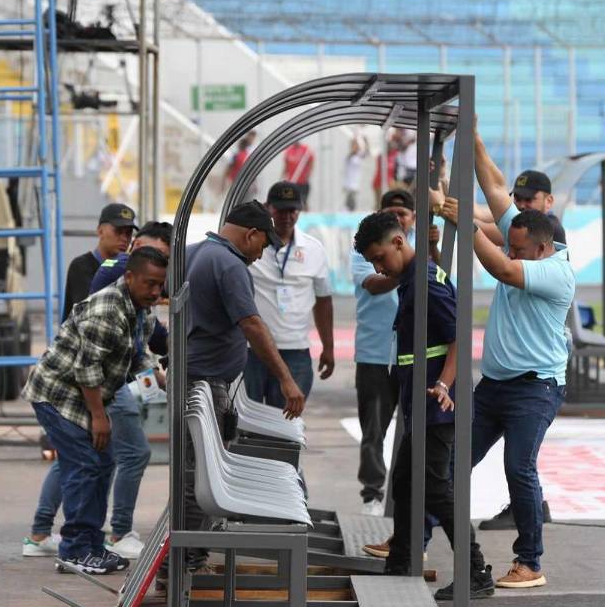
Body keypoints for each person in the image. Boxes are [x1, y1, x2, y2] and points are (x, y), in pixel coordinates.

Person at [439, 126, 573, 589]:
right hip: (494, 386)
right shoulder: (526, 238)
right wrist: (472, 136)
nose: (510, 252)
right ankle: (412, 542)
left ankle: (530, 562)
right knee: (450, 462)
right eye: (509, 244)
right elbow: (495, 185)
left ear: (541, 247)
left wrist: (468, 227)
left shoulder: (555, 271)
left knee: (519, 467)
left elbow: (497, 265)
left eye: (518, 249)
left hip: (535, 388)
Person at [353, 212, 494, 601]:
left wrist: (443, 384)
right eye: (374, 263)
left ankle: (476, 571)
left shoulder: (427, 284)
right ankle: (402, 561)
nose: (380, 268)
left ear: (399, 242)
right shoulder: (412, 280)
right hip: (423, 405)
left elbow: (458, 339)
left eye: (381, 257)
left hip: (438, 404)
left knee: (435, 489)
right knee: (404, 481)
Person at [23, 222, 173, 560]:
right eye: (149, 283)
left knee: (103, 463)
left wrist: (162, 381)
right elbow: (87, 370)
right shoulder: (108, 309)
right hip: (59, 396)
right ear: (130, 276)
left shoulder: (139, 310)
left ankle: (91, 545)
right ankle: (75, 552)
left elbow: (137, 356)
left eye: (159, 285)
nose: (154, 292)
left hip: (84, 395)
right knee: (85, 465)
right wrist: (99, 417)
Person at [182, 200, 307, 570]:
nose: (261, 254)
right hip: (206, 378)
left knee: (193, 470)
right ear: (250, 234)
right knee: (198, 474)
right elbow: (251, 324)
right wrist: (287, 380)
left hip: (197, 374)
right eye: (263, 245)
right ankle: (188, 557)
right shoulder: (229, 263)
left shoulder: (194, 253)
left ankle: (190, 551)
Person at [350, 189, 438, 516]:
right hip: (374, 353)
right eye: (392, 212)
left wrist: (431, 249)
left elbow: (439, 281)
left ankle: (406, 496)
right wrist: (405, 270)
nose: (399, 217)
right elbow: (372, 283)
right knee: (374, 429)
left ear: (412, 219)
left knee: (415, 429)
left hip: (411, 354)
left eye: (404, 213)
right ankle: (372, 494)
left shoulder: (417, 250)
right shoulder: (371, 246)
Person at [243, 181, 334, 408]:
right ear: (267, 207)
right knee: (245, 424)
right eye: (280, 210)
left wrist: (328, 347)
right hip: (252, 350)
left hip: (295, 352)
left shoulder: (314, 249)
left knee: (286, 427)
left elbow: (323, 301)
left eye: (292, 210)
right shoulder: (249, 245)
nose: (287, 216)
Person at [61, 203, 136, 324]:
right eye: (118, 231)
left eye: (128, 233)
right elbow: (89, 311)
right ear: (100, 231)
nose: (124, 238)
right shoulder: (81, 266)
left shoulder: (128, 270)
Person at [224, 131, 258, 200]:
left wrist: (225, 181)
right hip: (244, 183)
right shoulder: (245, 155)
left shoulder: (237, 155)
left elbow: (228, 169)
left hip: (237, 183)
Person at [283, 141, 315, 208]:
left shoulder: (306, 149)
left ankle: (306, 216)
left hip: (303, 182)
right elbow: (285, 167)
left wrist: (308, 175)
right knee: (290, 202)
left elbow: (311, 163)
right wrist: (284, 178)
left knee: (303, 202)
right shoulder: (288, 151)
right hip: (291, 182)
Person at [343, 131, 369, 211]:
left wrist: (360, 137)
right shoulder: (350, 156)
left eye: (355, 145)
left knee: (351, 203)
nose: (353, 146)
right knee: (349, 203)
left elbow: (364, 151)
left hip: (354, 184)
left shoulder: (358, 157)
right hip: (349, 184)